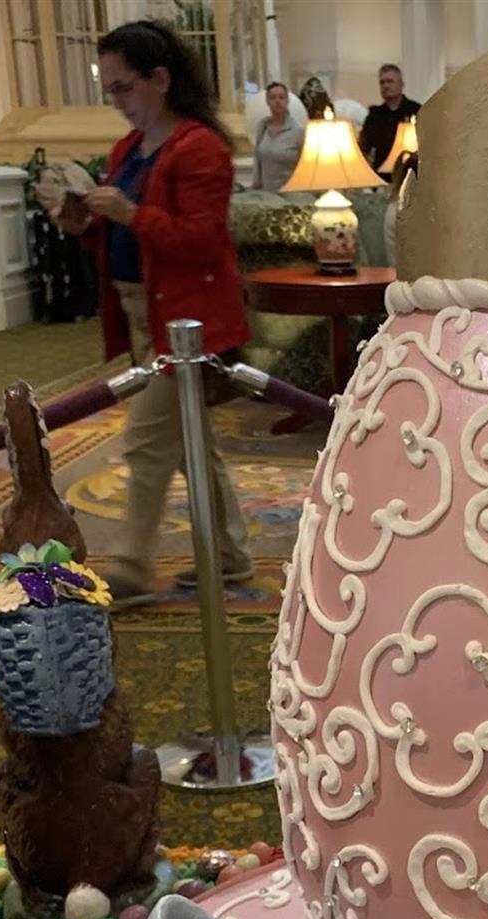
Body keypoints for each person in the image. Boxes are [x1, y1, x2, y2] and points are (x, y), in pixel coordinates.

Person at [44, 19, 253, 602]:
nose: (116, 101)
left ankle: (133, 567)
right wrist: (87, 225)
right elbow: (129, 239)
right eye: (109, 89)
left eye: (123, 87)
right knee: (190, 443)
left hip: (186, 325)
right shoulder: (129, 148)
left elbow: (202, 241)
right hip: (144, 315)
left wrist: (131, 213)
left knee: (145, 441)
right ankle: (230, 556)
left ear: (160, 79)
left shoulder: (200, 147)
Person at [358, 64, 421, 171]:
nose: (385, 86)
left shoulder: (415, 111)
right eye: (382, 82)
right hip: (381, 173)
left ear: (401, 84)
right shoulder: (374, 115)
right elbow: (364, 147)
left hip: (409, 172)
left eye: (390, 81)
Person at [252, 81, 305, 190]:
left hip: (290, 193)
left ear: (287, 101)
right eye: (273, 98)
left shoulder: (298, 131)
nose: (277, 101)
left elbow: (304, 165)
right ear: (267, 101)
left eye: (281, 97)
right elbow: (257, 158)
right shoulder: (262, 127)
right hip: (266, 192)